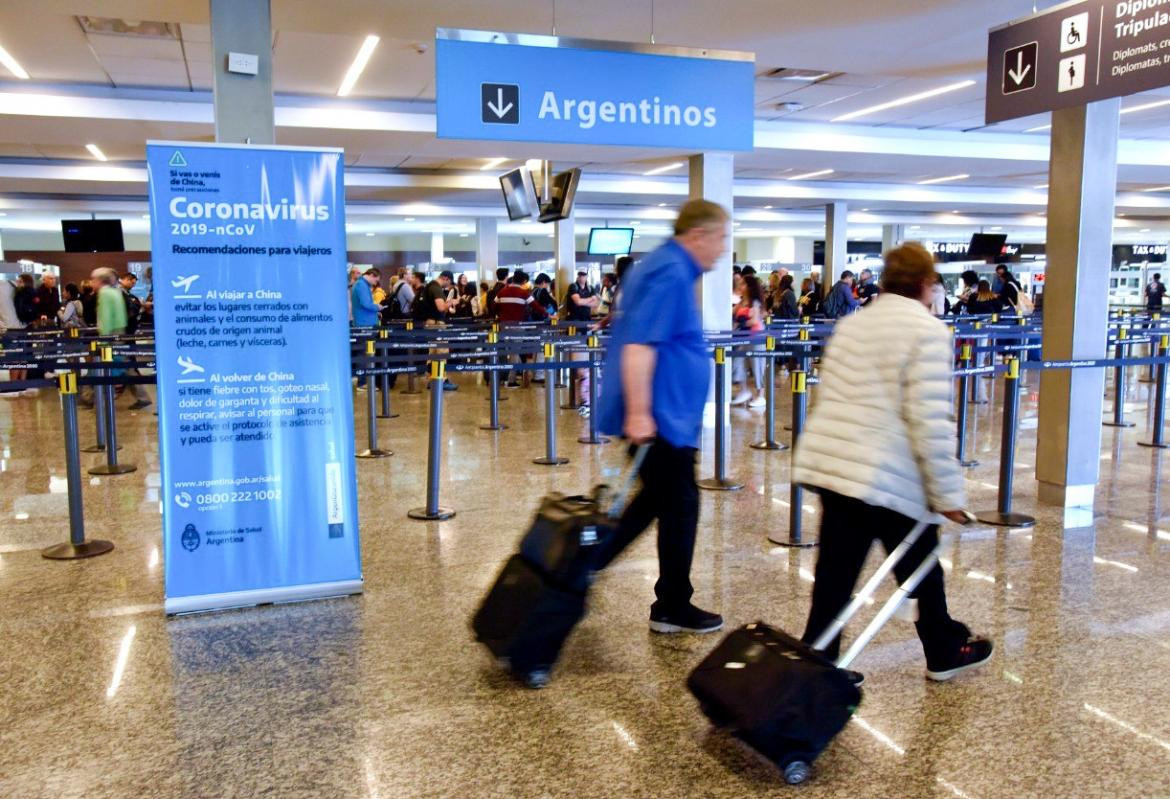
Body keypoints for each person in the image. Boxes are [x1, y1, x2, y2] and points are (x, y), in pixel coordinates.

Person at [793, 242, 992, 682]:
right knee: (921, 559)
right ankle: (943, 649)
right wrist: (947, 495)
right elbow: (929, 420)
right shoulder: (927, 332)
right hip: (887, 475)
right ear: (926, 283)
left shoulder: (854, 324)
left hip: (838, 469)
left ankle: (815, 668)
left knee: (835, 579)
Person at [594, 198, 729, 635]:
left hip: (665, 415)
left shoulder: (662, 267)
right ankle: (671, 604)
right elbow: (639, 346)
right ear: (699, 235)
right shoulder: (671, 272)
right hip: (660, 417)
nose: (723, 249)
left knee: (658, 503)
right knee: (679, 504)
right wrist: (638, 413)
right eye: (722, 238)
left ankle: (583, 569)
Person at [82, 267, 151, 410]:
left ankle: (91, 398)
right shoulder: (116, 292)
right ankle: (142, 396)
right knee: (124, 366)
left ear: (100, 280)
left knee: (103, 366)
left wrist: (104, 338)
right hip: (120, 332)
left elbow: (106, 317)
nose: (92, 282)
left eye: (93, 279)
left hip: (111, 335)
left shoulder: (105, 294)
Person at [732, 273, 766, 408]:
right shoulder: (741, 302)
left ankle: (761, 395)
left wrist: (741, 324)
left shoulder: (755, 302)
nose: (741, 286)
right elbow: (734, 315)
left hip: (756, 338)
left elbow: (755, 320)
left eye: (743, 284)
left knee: (757, 366)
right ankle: (744, 390)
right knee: (737, 363)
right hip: (744, 339)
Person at [351, 268, 382, 389]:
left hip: (364, 322)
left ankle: (363, 381)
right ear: (371, 275)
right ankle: (363, 382)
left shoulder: (359, 284)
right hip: (365, 325)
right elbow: (365, 303)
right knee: (365, 354)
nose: (375, 283)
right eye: (376, 280)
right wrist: (377, 307)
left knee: (365, 353)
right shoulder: (361, 285)